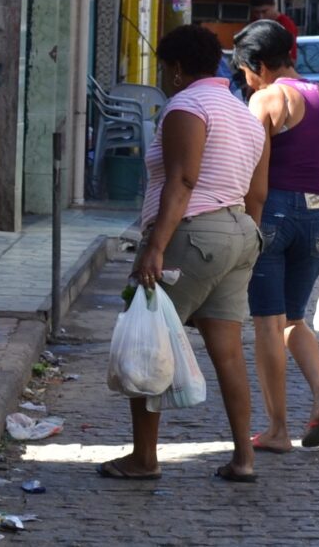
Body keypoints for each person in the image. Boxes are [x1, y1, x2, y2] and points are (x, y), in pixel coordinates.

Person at [102, 24, 270, 484]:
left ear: (176, 70)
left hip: (192, 232)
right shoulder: (243, 113)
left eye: (163, 68)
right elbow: (258, 191)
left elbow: (183, 180)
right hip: (239, 231)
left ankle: (144, 457)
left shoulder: (186, 106)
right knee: (229, 353)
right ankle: (244, 458)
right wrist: (243, 242)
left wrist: (154, 247)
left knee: (148, 340)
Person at [234, 20, 319, 455]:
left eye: (245, 71)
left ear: (260, 65)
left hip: (276, 214)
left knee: (268, 321)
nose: (245, 80)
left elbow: (257, 180)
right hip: (318, 217)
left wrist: (249, 225)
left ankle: (278, 429)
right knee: (294, 319)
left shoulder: (265, 100)